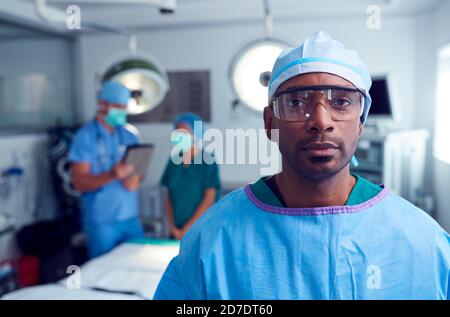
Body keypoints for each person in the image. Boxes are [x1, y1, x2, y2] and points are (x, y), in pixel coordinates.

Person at [154, 31, 450, 299]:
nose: (321, 121)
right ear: (270, 123)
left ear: (361, 122)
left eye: (342, 102)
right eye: (297, 102)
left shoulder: (424, 243)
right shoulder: (212, 241)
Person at [69, 81, 144, 259]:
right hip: (102, 222)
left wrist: (136, 178)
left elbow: (139, 170)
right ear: (102, 105)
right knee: (103, 274)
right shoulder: (85, 137)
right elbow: (78, 182)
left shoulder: (130, 135)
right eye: (118, 106)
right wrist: (112, 175)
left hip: (130, 218)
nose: (122, 111)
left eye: (124, 107)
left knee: (136, 265)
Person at [161, 112, 221, 240]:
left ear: (196, 134)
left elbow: (209, 199)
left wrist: (187, 229)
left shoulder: (207, 161)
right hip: (176, 232)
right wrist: (172, 227)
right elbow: (168, 197)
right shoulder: (173, 161)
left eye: (184, 132)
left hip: (200, 229)